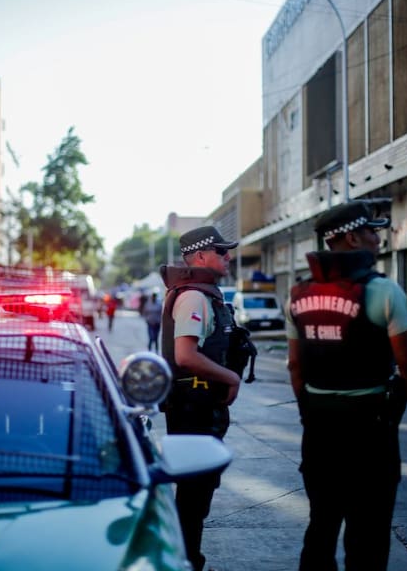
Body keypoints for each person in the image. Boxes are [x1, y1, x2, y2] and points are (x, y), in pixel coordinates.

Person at [286, 200, 407, 571]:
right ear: (352, 238)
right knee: (368, 534)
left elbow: (296, 366)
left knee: (321, 525)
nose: (378, 239)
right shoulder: (383, 290)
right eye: (372, 231)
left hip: (319, 432)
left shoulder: (298, 295)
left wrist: (311, 414)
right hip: (370, 433)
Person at [159, 225, 243, 571]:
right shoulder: (194, 297)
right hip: (192, 410)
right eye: (221, 251)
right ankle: (186, 562)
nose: (228, 256)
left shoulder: (203, 294)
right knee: (193, 499)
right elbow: (185, 356)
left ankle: (186, 559)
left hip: (200, 408)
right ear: (200, 256)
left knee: (196, 496)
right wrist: (231, 377)